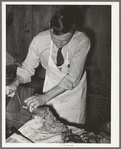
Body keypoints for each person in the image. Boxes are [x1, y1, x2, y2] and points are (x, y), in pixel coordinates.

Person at [6, 9, 90, 125]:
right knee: (47, 127)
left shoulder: (82, 41)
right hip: (51, 87)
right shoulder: (39, 41)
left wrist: (44, 98)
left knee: (73, 132)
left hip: (74, 93)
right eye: (55, 39)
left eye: (65, 40)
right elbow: (27, 68)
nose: (59, 44)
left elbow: (72, 78)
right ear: (50, 26)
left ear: (73, 31)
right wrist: (15, 82)